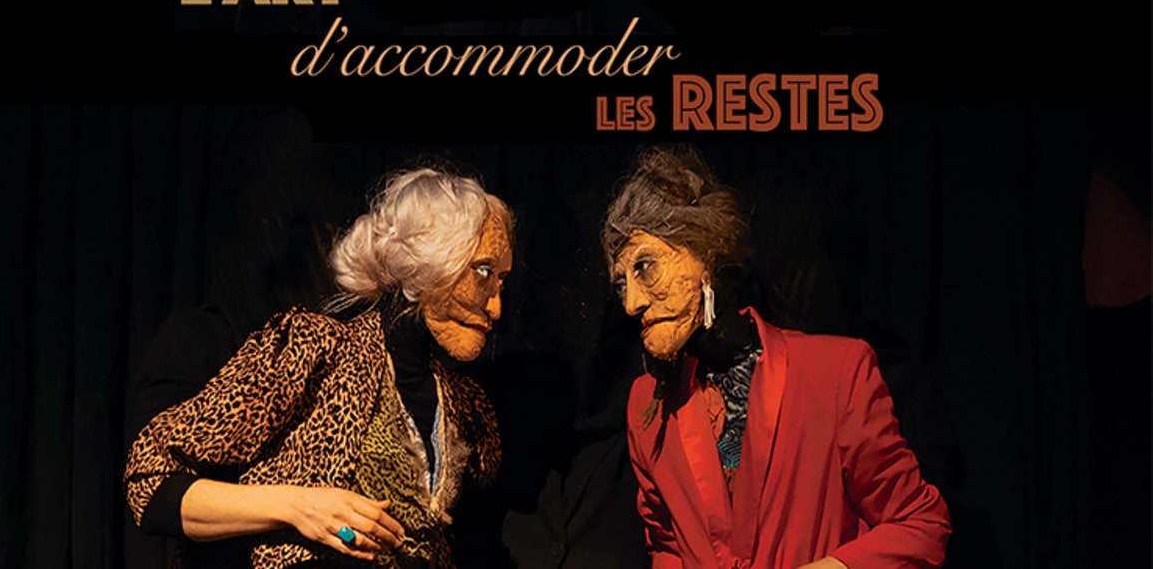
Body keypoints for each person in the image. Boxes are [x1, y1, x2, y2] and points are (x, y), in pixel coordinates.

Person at [124, 165, 513, 568]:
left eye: (502, 279)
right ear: (431, 258)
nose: (496, 307)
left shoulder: (466, 407)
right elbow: (151, 482)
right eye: (483, 272)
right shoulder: (315, 351)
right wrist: (300, 506)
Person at [600, 146, 950, 569]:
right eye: (621, 284)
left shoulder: (834, 373)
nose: (632, 303)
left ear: (703, 251)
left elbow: (919, 524)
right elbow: (667, 544)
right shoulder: (648, 406)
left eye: (645, 267)